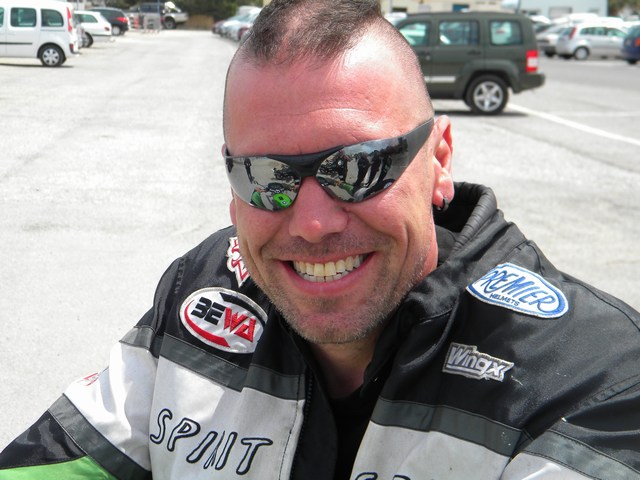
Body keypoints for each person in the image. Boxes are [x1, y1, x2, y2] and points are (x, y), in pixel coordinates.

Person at [1, 0, 640, 478]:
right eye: (265, 176)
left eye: (358, 168)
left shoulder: (590, 380)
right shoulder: (203, 286)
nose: (312, 222)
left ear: (439, 160)